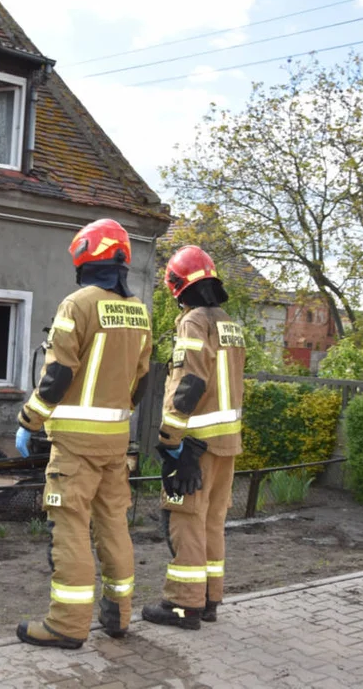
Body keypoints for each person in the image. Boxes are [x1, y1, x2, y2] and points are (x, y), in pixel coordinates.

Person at [14, 218, 152, 650]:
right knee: (113, 524)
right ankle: (119, 616)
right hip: (115, 442)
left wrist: (28, 421)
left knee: (70, 527)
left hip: (74, 444)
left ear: (84, 258)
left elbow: (57, 374)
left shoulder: (77, 304)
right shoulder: (139, 311)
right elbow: (142, 381)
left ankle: (66, 625)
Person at [142, 245, 245, 630]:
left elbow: (190, 382)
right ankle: (209, 599)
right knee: (212, 521)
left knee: (185, 519)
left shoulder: (193, 322)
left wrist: (170, 438)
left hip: (195, 443)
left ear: (176, 285)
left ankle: (183, 605)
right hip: (226, 442)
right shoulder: (228, 322)